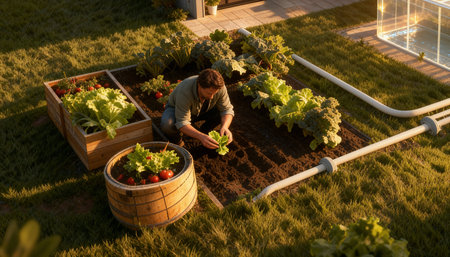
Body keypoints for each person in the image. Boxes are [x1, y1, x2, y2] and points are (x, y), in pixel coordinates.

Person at [160, 69, 234, 149]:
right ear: (199, 85)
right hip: (177, 110)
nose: (212, 97)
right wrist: (201, 137)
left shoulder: (219, 87)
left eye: (214, 93)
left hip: (203, 109)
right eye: (209, 93)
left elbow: (227, 110)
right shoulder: (185, 91)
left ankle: (205, 130)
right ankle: (178, 141)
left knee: (221, 114)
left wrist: (225, 127)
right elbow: (182, 122)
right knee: (167, 124)